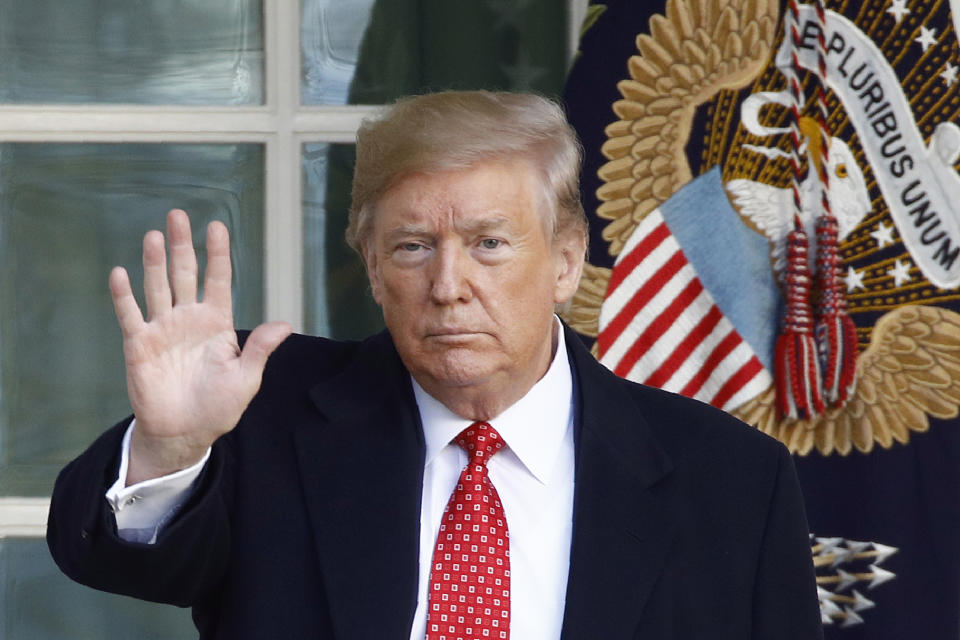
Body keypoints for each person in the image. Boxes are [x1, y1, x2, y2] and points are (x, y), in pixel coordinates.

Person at [47, 91, 823, 639]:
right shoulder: (263, 408)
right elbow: (109, 559)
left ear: (564, 262)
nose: (449, 288)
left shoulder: (732, 481)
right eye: (414, 247)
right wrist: (172, 451)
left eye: (489, 243)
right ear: (375, 270)